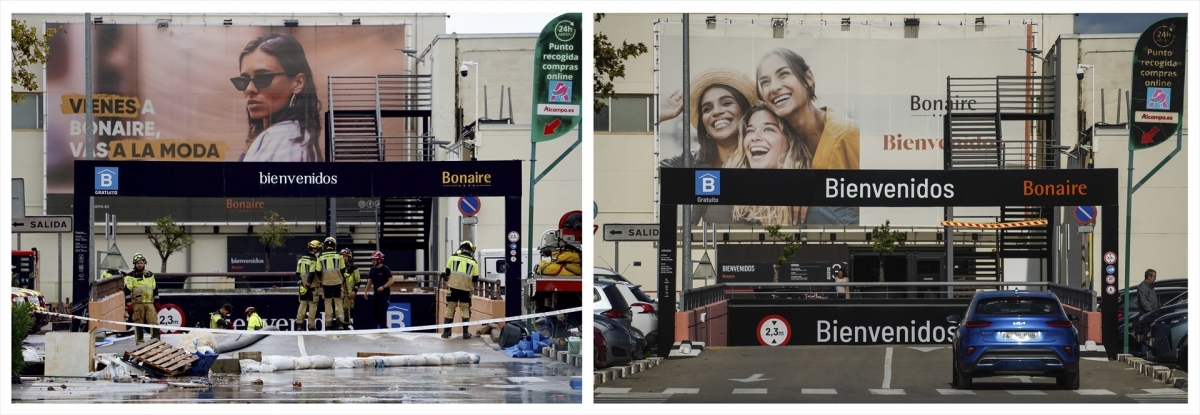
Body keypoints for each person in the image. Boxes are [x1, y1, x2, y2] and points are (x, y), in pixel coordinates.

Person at [755, 48, 860, 225]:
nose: (774, 87)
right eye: (765, 82)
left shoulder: (845, 135)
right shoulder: (777, 138)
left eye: (784, 74)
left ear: (808, 79)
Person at [659, 69, 759, 225]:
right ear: (704, 126)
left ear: (745, 111)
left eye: (726, 103)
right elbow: (648, 172)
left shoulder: (763, 157)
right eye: (707, 109)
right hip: (713, 249)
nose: (717, 112)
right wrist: (657, 117)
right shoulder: (693, 162)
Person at [233, 33, 322, 162]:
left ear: (298, 83)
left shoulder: (282, 137)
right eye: (243, 80)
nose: (249, 89)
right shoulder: (294, 135)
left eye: (263, 78)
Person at [726, 104, 811, 225]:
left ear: (790, 141)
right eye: (750, 131)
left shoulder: (810, 204)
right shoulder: (730, 197)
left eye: (769, 129)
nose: (755, 137)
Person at [441, 241, 479, 339]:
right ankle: (465, 333)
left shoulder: (453, 257)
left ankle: (446, 332)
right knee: (465, 309)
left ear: (461, 249)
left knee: (450, 308)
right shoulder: (473, 262)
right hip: (466, 290)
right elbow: (475, 278)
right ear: (470, 251)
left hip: (453, 288)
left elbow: (446, 272)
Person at [123, 253, 159, 344]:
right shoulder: (130, 276)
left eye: (141, 263)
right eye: (138, 263)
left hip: (149, 302)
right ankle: (139, 343)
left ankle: (156, 342)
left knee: (154, 322)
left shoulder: (150, 274)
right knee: (138, 323)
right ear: (135, 264)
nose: (140, 265)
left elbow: (155, 288)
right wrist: (128, 303)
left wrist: (157, 301)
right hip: (137, 303)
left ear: (144, 263)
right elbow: (127, 290)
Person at [313, 237, 348, 330]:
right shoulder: (339, 256)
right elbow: (343, 270)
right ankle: (340, 323)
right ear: (334, 245)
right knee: (338, 302)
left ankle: (329, 324)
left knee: (327, 302)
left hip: (326, 283)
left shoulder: (320, 257)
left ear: (325, 245)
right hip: (337, 282)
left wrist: (323, 278)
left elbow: (318, 271)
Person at [362, 251, 394, 330]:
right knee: (375, 313)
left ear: (379, 260)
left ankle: (384, 328)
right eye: (372, 259)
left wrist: (383, 287)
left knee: (382, 312)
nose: (372, 261)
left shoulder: (385, 269)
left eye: (374, 260)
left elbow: (391, 280)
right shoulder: (372, 270)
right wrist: (365, 291)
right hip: (376, 294)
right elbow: (370, 281)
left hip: (385, 294)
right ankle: (383, 327)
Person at [295, 240, 320, 331]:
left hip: (302, 288)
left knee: (302, 304)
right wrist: (308, 285)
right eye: (318, 250)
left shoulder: (301, 260)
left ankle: (299, 324)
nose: (319, 252)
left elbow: (297, 274)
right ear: (315, 249)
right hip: (312, 287)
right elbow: (312, 273)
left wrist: (301, 285)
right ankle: (311, 326)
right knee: (312, 305)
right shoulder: (314, 260)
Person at [340, 248, 361, 329]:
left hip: (349, 292)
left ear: (349, 257)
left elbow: (358, 281)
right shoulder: (338, 268)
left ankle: (346, 324)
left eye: (346, 256)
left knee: (345, 308)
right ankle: (340, 324)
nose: (344, 258)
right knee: (339, 309)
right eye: (343, 256)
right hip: (339, 291)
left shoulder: (354, 268)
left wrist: (354, 291)